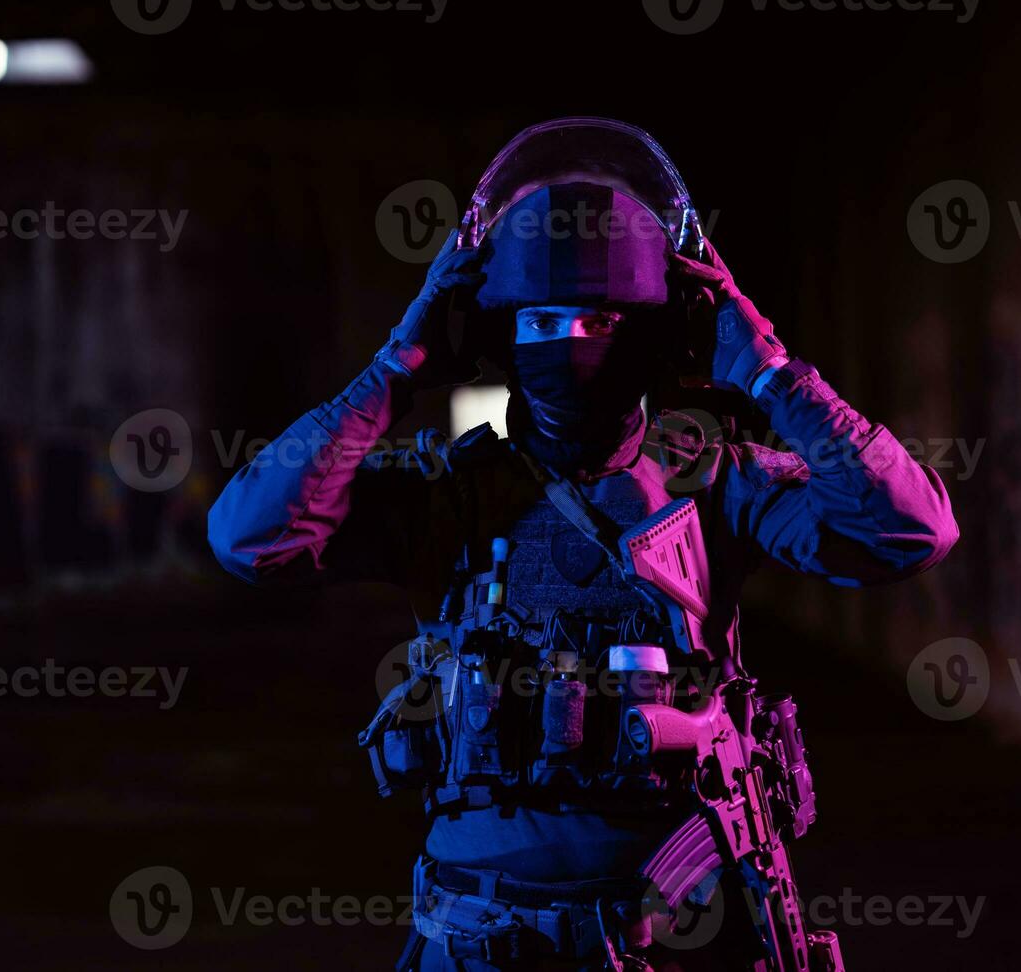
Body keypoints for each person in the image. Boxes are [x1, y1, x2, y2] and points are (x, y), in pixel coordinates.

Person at [208, 119, 958, 970]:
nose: (569, 343)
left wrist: (771, 373)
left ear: (656, 333)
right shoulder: (444, 497)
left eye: (601, 319)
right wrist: (396, 369)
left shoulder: (716, 484)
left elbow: (910, 528)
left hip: (678, 938)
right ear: (493, 335)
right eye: (542, 321)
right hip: (482, 939)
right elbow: (249, 537)